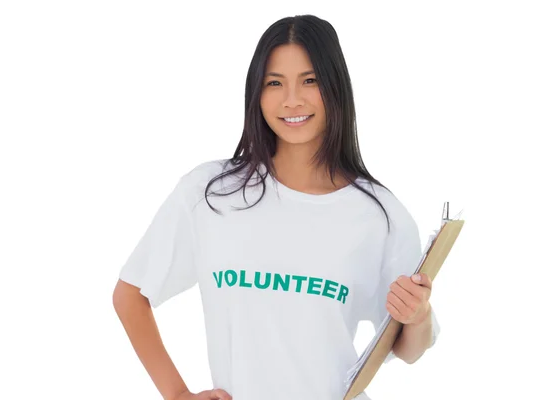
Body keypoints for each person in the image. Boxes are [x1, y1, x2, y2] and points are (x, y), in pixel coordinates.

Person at [112, 14, 440, 400]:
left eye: (310, 80)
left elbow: (404, 347)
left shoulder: (381, 215)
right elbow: (130, 294)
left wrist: (418, 316)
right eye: (275, 83)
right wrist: (178, 395)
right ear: (256, 92)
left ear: (335, 86)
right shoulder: (210, 194)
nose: (292, 100)